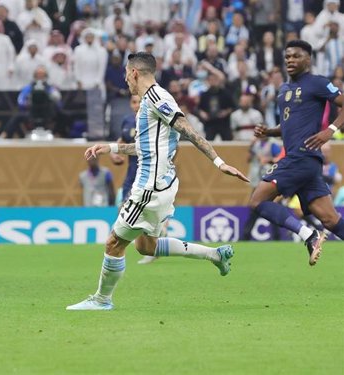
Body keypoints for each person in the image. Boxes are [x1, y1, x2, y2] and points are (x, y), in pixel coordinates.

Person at [66, 52, 248, 311]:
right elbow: (144, 147)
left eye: (127, 73)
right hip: (163, 183)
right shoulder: (150, 101)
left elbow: (188, 129)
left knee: (114, 243)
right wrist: (109, 148)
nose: (126, 79)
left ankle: (101, 300)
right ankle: (215, 254)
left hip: (149, 188)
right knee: (146, 246)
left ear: (135, 73)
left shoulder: (155, 97)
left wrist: (219, 162)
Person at [251, 40, 344, 266]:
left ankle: (308, 235)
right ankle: (312, 233)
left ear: (308, 59)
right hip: (305, 163)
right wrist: (270, 132)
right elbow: (290, 126)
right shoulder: (284, 90)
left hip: (300, 157)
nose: (290, 60)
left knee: (257, 201)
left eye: (296, 56)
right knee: (331, 219)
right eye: (287, 57)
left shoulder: (317, 83)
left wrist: (330, 130)